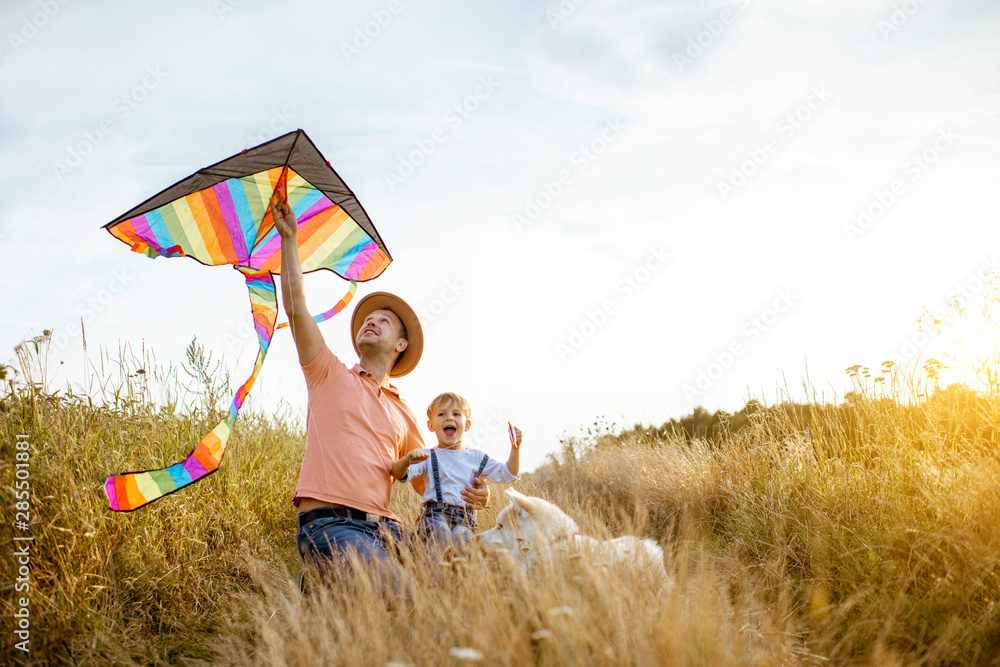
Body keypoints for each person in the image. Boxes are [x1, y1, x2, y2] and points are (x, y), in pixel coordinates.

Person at [270, 199, 491, 572]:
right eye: (367, 318)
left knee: (453, 574)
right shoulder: (327, 372)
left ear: (400, 345)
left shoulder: (404, 414)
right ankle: (328, 583)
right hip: (329, 525)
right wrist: (289, 239)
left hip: (386, 529)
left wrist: (475, 494)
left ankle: (322, 592)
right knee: (399, 595)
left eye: (383, 320)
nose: (371, 321)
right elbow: (296, 308)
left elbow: (436, 478)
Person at [392, 392, 522, 546]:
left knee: (463, 544)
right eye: (441, 414)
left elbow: (508, 474)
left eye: (456, 414)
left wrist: (515, 448)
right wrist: (406, 461)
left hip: (464, 519)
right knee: (439, 535)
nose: (449, 418)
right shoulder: (427, 456)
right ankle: (436, 569)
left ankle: (460, 569)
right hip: (434, 516)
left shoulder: (476, 457)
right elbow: (399, 474)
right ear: (431, 425)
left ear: (467, 425)